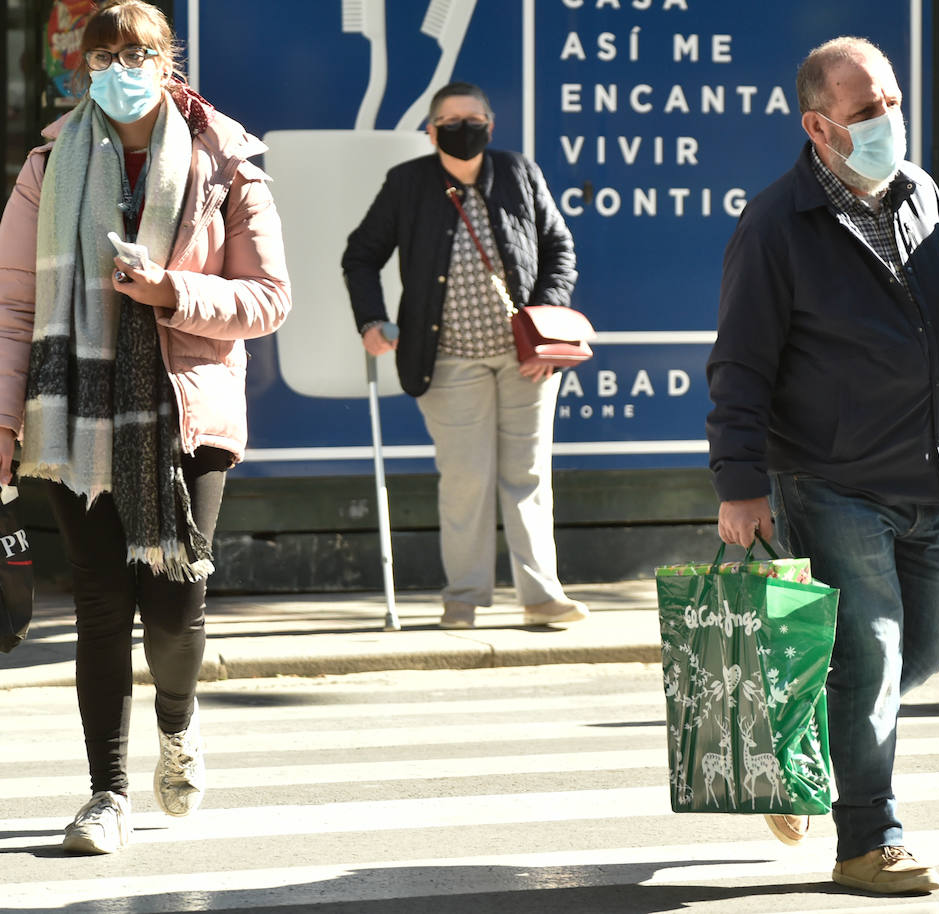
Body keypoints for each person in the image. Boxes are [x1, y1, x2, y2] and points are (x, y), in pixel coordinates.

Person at [0, 0, 290, 854]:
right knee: (98, 603)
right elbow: (14, 306)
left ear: (171, 62)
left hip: (185, 408)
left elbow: (270, 298)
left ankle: (178, 722)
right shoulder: (50, 162)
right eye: (107, 55)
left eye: (140, 53)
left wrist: (172, 292)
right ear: (83, 67)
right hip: (72, 413)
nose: (122, 69)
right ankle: (106, 794)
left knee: (173, 602)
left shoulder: (226, 160)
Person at [706, 37, 939, 895]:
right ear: (820, 127)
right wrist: (739, 485)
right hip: (833, 477)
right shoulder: (778, 224)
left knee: (926, 644)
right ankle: (868, 840)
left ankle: (799, 728)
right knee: (876, 653)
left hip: (930, 472)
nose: (889, 119)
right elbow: (740, 363)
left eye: (891, 101)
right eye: (866, 111)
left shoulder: (922, 193)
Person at [342, 82, 587, 631]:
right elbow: (360, 255)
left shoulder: (520, 173)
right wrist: (372, 321)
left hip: (528, 359)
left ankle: (542, 597)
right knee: (465, 480)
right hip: (448, 359)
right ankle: (465, 598)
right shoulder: (407, 183)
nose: (462, 127)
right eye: (450, 120)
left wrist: (545, 326)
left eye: (472, 118)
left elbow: (559, 250)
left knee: (527, 475)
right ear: (431, 131)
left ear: (490, 125)